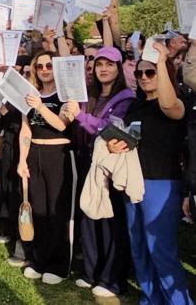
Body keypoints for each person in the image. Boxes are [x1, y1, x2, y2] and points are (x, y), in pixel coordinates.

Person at [108, 44, 193, 304]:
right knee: (139, 247)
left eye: (151, 72)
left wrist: (163, 60)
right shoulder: (135, 107)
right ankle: (151, 298)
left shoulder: (177, 103)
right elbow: (129, 139)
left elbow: (168, 104)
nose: (144, 77)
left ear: (163, 73)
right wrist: (115, 145)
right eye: (140, 73)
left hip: (162, 183)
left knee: (161, 250)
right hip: (133, 181)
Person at [63, 46, 134, 297]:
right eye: (99, 64)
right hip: (86, 161)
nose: (103, 69)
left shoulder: (126, 97)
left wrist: (80, 117)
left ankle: (112, 279)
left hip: (110, 165)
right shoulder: (89, 94)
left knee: (110, 222)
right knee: (89, 216)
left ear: (119, 68)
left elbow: (110, 129)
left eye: (109, 64)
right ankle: (90, 272)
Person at [17, 51, 76, 285]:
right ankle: (39, 260)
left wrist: (41, 107)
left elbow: (62, 124)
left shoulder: (66, 95)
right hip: (34, 154)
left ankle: (59, 265)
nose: (44, 70)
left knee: (57, 211)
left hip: (58, 154)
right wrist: (22, 160)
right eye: (39, 66)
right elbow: (26, 129)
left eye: (49, 65)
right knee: (39, 210)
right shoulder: (30, 95)